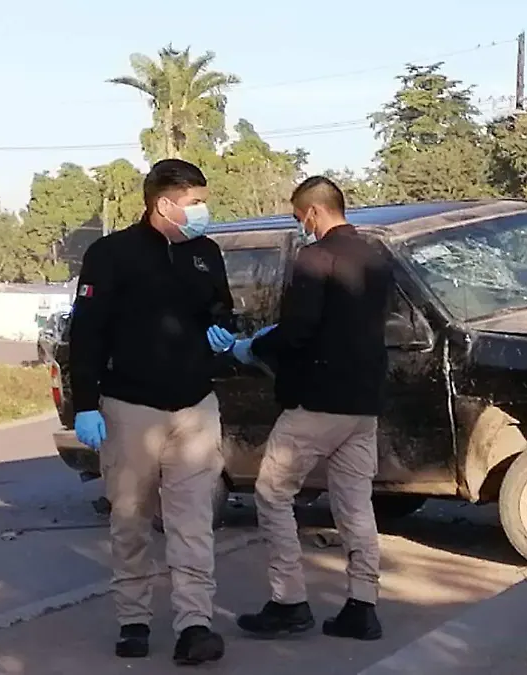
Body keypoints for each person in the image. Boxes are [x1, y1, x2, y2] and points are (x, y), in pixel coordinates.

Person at [69, 158, 235, 666]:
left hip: (195, 407)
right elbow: (88, 332)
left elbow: (222, 308)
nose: (203, 211)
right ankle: (134, 619)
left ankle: (194, 624)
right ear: (164, 204)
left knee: (192, 523)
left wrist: (222, 329)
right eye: (195, 203)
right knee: (131, 519)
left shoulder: (206, 253)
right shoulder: (111, 254)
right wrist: (84, 404)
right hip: (129, 408)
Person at [218, 176, 393, 641]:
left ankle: (288, 600)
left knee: (273, 494)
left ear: (313, 213)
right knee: (355, 504)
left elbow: (298, 330)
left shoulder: (315, 259)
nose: (302, 228)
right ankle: (362, 605)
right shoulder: (377, 255)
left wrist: (250, 346)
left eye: (300, 219)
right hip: (363, 402)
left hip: (317, 401)